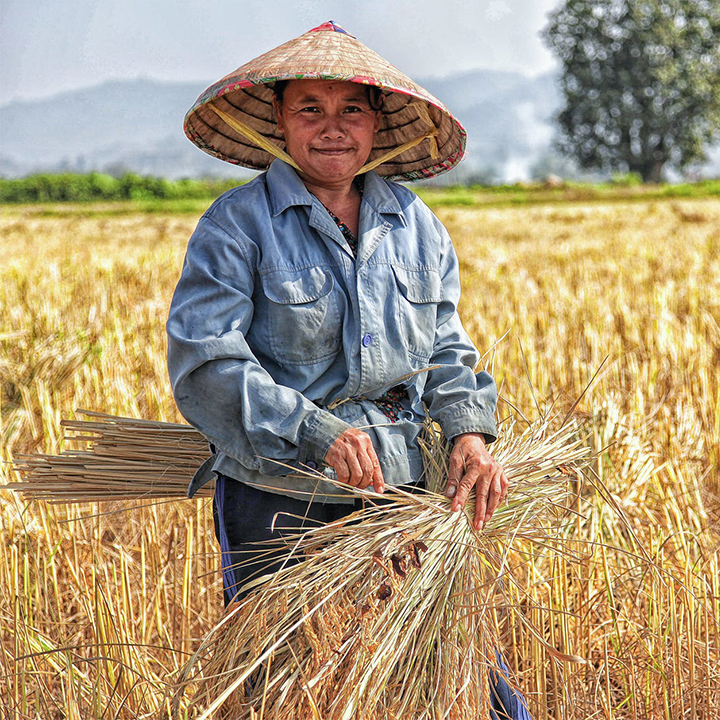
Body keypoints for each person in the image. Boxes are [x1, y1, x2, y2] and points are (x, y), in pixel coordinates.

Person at [167, 21, 530, 720]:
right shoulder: (236, 225)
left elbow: (447, 346)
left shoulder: (414, 223)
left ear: (376, 124)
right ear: (279, 120)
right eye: (311, 109)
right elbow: (205, 362)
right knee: (277, 686)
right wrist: (315, 431)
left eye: (350, 110)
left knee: (463, 673)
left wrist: (468, 432)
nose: (332, 128)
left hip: (405, 485)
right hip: (280, 491)